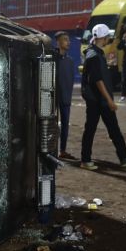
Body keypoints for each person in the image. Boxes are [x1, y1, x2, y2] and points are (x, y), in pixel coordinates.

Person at [80, 24, 126, 171]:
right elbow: (97, 80)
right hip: (97, 100)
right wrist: (109, 100)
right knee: (92, 129)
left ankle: (124, 157)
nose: (109, 38)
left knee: (112, 128)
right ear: (103, 37)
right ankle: (85, 160)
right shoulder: (94, 55)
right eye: (108, 36)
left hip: (99, 99)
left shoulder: (94, 53)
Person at [53, 31, 77, 160]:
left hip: (66, 98)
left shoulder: (70, 61)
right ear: (58, 42)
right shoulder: (52, 58)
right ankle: (51, 150)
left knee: (65, 125)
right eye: (65, 39)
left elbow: (70, 80)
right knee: (51, 125)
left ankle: (62, 150)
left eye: (68, 39)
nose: (68, 42)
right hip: (53, 99)